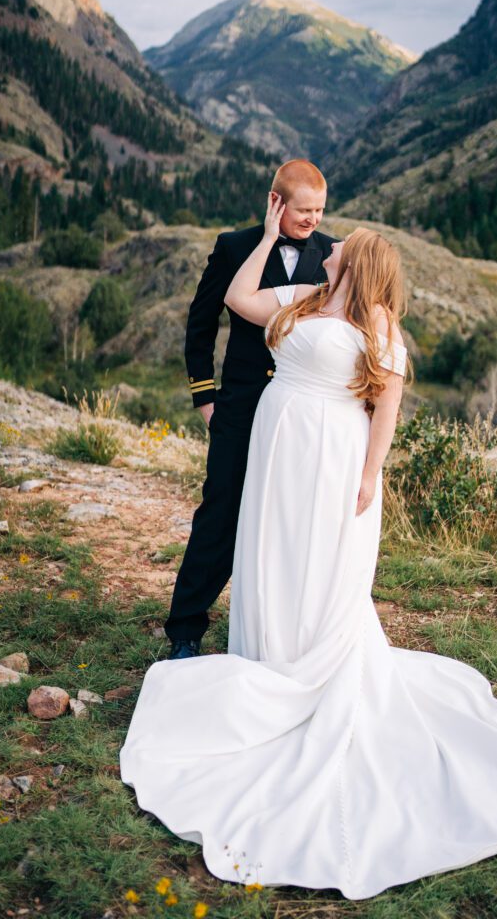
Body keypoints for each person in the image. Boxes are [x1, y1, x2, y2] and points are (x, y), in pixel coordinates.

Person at [120, 196, 497, 900]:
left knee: (317, 565)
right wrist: (264, 234)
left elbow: (385, 404)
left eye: (341, 241)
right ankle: (264, 653)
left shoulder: (378, 325)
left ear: (362, 261)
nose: (330, 241)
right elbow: (236, 297)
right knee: (269, 552)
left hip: (330, 458)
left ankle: (303, 669)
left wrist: (368, 477)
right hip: (277, 451)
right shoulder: (303, 295)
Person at [164, 159, 340, 659]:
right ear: (276, 201)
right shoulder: (233, 247)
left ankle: (282, 634)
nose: (312, 220)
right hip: (240, 405)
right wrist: (205, 397)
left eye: (319, 211)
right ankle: (184, 631)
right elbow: (200, 325)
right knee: (220, 511)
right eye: (303, 210)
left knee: (291, 518)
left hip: (300, 412)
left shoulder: (331, 254)